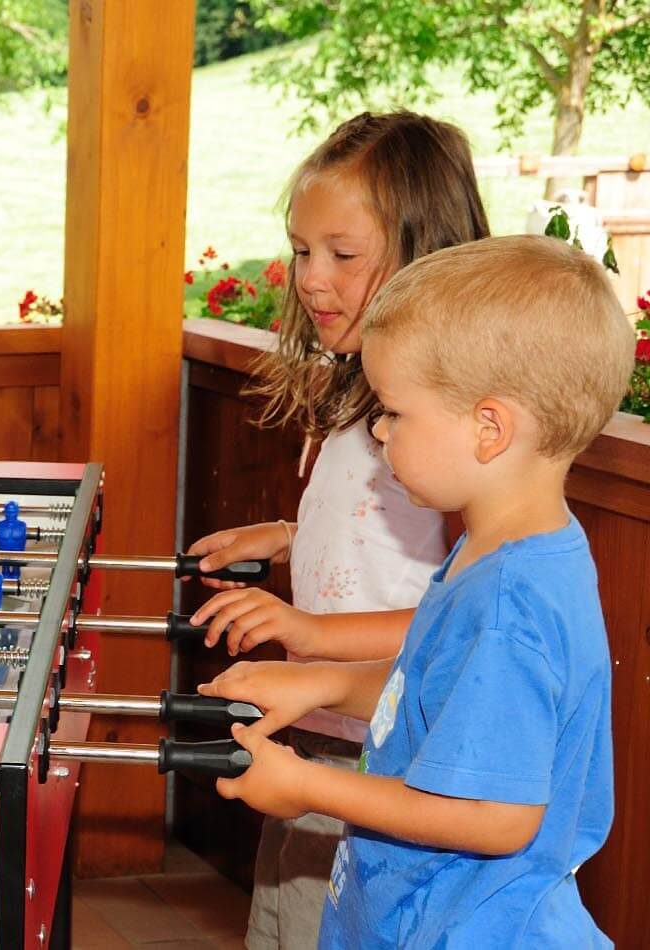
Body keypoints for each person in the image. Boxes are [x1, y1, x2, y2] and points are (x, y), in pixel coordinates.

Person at [202, 234, 632, 948]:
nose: (378, 429)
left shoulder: (511, 602)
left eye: (396, 413)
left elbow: (495, 814)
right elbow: (442, 693)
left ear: (488, 428)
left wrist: (310, 787)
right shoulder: (505, 550)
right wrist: (327, 687)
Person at [181, 112, 489, 948]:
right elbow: (377, 532)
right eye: (301, 250)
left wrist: (310, 632)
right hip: (321, 740)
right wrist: (286, 533)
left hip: (389, 762)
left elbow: (463, 621)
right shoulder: (364, 400)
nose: (312, 279)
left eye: (343, 255)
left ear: (425, 251)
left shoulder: (444, 432)